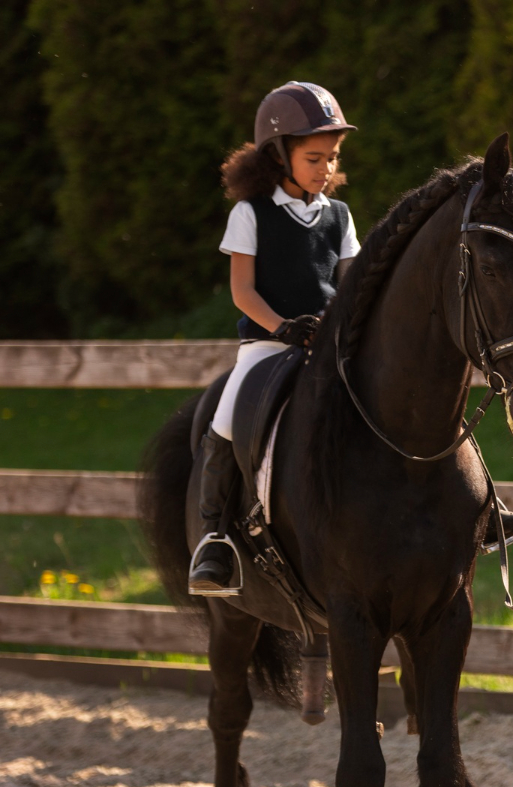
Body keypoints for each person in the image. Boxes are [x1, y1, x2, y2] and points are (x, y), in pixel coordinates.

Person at [189, 81, 359, 596]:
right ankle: (215, 536)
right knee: (224, 419)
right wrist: (282, 327)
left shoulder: (339, 215)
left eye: (331, 158)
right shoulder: (251, 213)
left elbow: (351, 287)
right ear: (278, 153)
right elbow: (242, 292)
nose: (326, 169)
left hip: (328, 346)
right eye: (314, 157)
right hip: (269, 345)